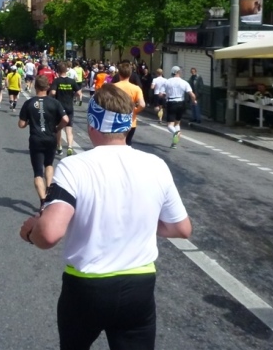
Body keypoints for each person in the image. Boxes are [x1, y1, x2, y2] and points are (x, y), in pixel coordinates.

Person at [19, 84, 192, 350]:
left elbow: (49, 234)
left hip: (87, 287)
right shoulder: (156, 165)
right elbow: (182, 228)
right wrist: (138, 220)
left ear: (92, 124)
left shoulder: (74, 167)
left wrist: (32, 231)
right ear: (128, 125)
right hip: (140, 287)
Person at [19, 76, 68, 210]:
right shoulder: (54, 103)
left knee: (37, 172)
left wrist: (29, 121)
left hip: (36, 139)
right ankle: (49, 189)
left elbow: (21, 124)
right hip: (50, 138)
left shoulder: (29, 103)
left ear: (35, 87)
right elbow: (65, 119)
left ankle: (42, 202)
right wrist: (57, 128)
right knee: (49, 164)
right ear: (47, 87)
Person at [160, 66, 196, 149]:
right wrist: (194, 101)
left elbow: (161, 94)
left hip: (171, 103)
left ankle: (175, 133)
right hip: (181, 103)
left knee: (170, 125)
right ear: (178, 72)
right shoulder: (184, 82)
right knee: (177, 122)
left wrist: (164, 95)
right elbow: (192, 95)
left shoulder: (167, 82)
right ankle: (174, 143)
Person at [50, 62, 81, 156]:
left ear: (58, 71)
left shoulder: (57, 81)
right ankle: (70, 147)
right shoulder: (72, 81)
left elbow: (53, 92)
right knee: (69, 129)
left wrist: (49, 97)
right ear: (66, 70)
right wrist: (73, 95)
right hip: (69, 107)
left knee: (58, 128)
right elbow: (79, 93)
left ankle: (59, 147)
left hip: (59, 108)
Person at [114, 62, 145, 146]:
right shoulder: (136, 88)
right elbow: (142, 105)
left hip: (114, 120)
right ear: (130, 74)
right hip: (130, 121)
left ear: (119, 73)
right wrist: (135, 111)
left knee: (114, 145)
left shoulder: (113, 87)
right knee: (127, 143)